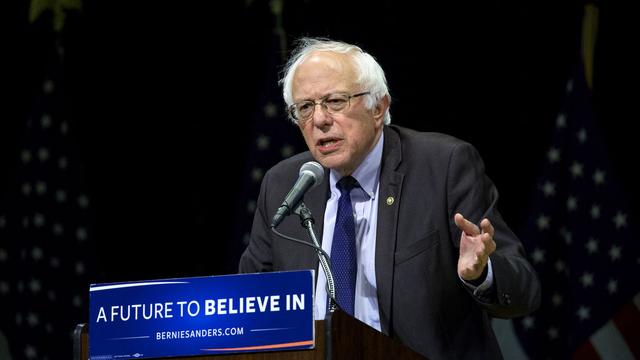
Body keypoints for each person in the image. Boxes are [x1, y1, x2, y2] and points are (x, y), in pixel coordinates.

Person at [239, 37, 540, 360]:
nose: (320, 120)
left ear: (379, 107)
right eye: (305, 108)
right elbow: (247, 303)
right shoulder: (285, 183)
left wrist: (481, 273)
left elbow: (525, 292)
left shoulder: (443, 167)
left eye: (335, 101)